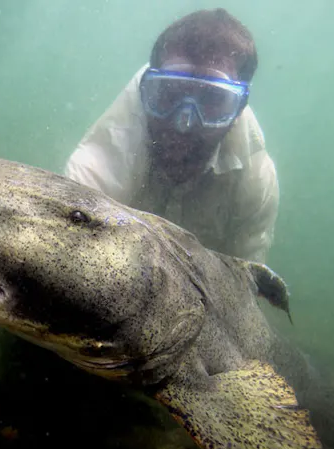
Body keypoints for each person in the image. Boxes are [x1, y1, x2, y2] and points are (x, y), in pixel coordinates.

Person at [64, 9, 279, 263]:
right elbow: (69, 253)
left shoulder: (254, 178)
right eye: (169, 93)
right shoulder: (107, 150)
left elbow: (246, 283)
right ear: (147, 91)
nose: (184, 123)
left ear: (238, 109)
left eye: (211, 99)